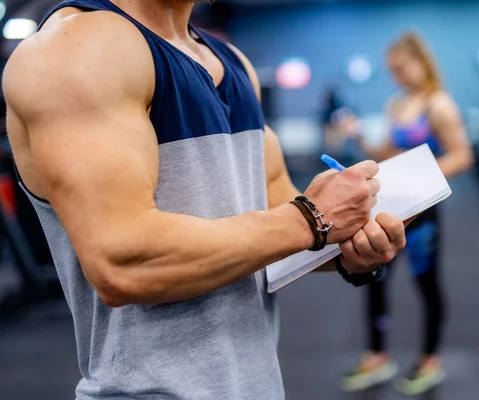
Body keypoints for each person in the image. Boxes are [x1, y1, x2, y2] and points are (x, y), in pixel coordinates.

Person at [2, 1, 410, 399]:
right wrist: (312, 219)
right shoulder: (80, 46)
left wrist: (348, 248)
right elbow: (123, 260)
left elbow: (280, 230)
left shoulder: (233, 64)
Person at [340, 32, 473, 395]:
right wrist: (359, 137)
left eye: (401, 68)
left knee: (426, 282)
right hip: (393, 207)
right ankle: (377, 356)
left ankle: (430, 359)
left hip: (424, 211)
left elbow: (462, 154)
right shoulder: (397, 105)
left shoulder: (438, 104)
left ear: (420, 61)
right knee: (374, 275)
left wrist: (422, 176)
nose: (397, 76)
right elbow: (387, 151)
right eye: (392, 71)